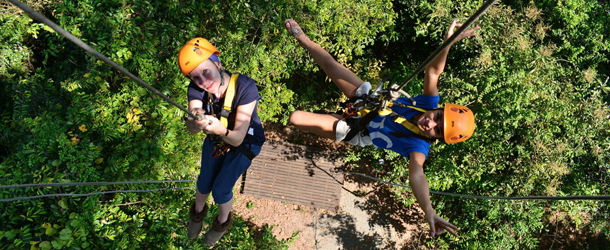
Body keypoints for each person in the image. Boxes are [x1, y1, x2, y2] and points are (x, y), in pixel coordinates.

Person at [284, 19, 479, 237]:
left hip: (358, 129)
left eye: (437, 130)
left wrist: (428, 210)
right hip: (370, 101)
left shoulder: (418, 146)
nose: (431, 123)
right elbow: (433, 72)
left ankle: (327, 116)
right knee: (331, 64)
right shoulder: (427, 102)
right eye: (437, 117)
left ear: (437, 138)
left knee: (296, 118)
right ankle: (302, 37)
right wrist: (448, 42)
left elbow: (417, 176)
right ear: (439, 108)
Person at [178, 38, 266, 245]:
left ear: (217, 63)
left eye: (206, 72)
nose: (202, 81)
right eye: (196, 77)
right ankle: (197, 214)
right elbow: (192, 123)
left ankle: (222, 222)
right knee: (204, 181)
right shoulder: (197, 88)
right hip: (216, 138)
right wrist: (194, 119)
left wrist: (220, 129)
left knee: (220, 189)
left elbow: (236, 138)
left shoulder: (245, 87)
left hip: (244, 142)